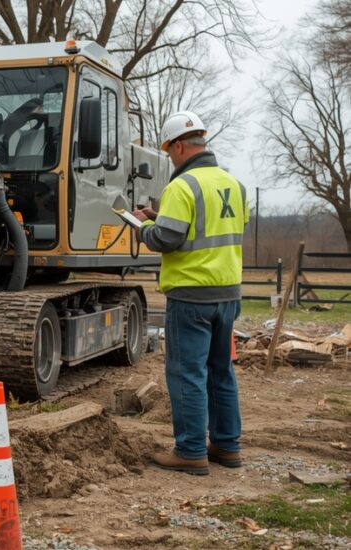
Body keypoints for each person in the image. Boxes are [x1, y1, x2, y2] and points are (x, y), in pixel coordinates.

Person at [132, 111, 249, 476]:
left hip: (191, 296)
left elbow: (166, 239)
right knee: (221, 371)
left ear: (179, 146)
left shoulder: (181, 187)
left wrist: (143, 228)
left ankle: (191, 451)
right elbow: (207, 226)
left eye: (169, 151)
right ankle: (227, 446)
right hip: (227, 295)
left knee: (187, 374)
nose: (170, 158)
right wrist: (159, 216)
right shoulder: (234, 185)